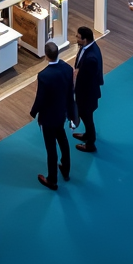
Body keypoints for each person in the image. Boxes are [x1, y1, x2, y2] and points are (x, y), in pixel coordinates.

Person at [29, 40, 75, 191]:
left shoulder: (44, 76)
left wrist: (33, 112)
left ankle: (52, 179)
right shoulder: (68, 69)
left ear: (46, 56)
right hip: (61, 114)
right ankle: (66, 168)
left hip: (48, 118)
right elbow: (70, 93)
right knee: (62, 140)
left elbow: (40, 98)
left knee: (51, 148)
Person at [71, 26, 103, 153]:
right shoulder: (88, 48)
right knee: (85, 116)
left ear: (85, 39)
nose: (76, 39)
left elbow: (87, 80)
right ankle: (88, 135)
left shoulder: (91, 58)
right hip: (85, 93)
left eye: (78, 37)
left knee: (87, 117)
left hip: (87, 95)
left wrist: (76, 77)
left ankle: (90, 143)